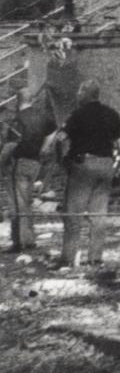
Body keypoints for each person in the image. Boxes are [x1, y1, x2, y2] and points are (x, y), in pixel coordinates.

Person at [51, 80, 120, 270]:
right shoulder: (111, 113)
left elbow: (60, 138)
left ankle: (68, 259)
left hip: (84, 166)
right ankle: (95, 258)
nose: (77, 95)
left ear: (85, 93)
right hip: (106, 165)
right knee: (99, 214)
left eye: (79, 92)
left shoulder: (77, 115)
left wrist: (61, 159)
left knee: (73, 214)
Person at [2, 79, 61, 255]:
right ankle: (29, 238)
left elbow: (10, 145)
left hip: (18, 163)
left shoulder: (16, 120)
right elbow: (53, 131)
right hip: (35, 162)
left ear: (17, 101)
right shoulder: (43, 116)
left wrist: (1, 162)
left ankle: (19, 241)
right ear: (32, 100)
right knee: (26, 201)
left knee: (17, 203)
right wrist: (44, 148)